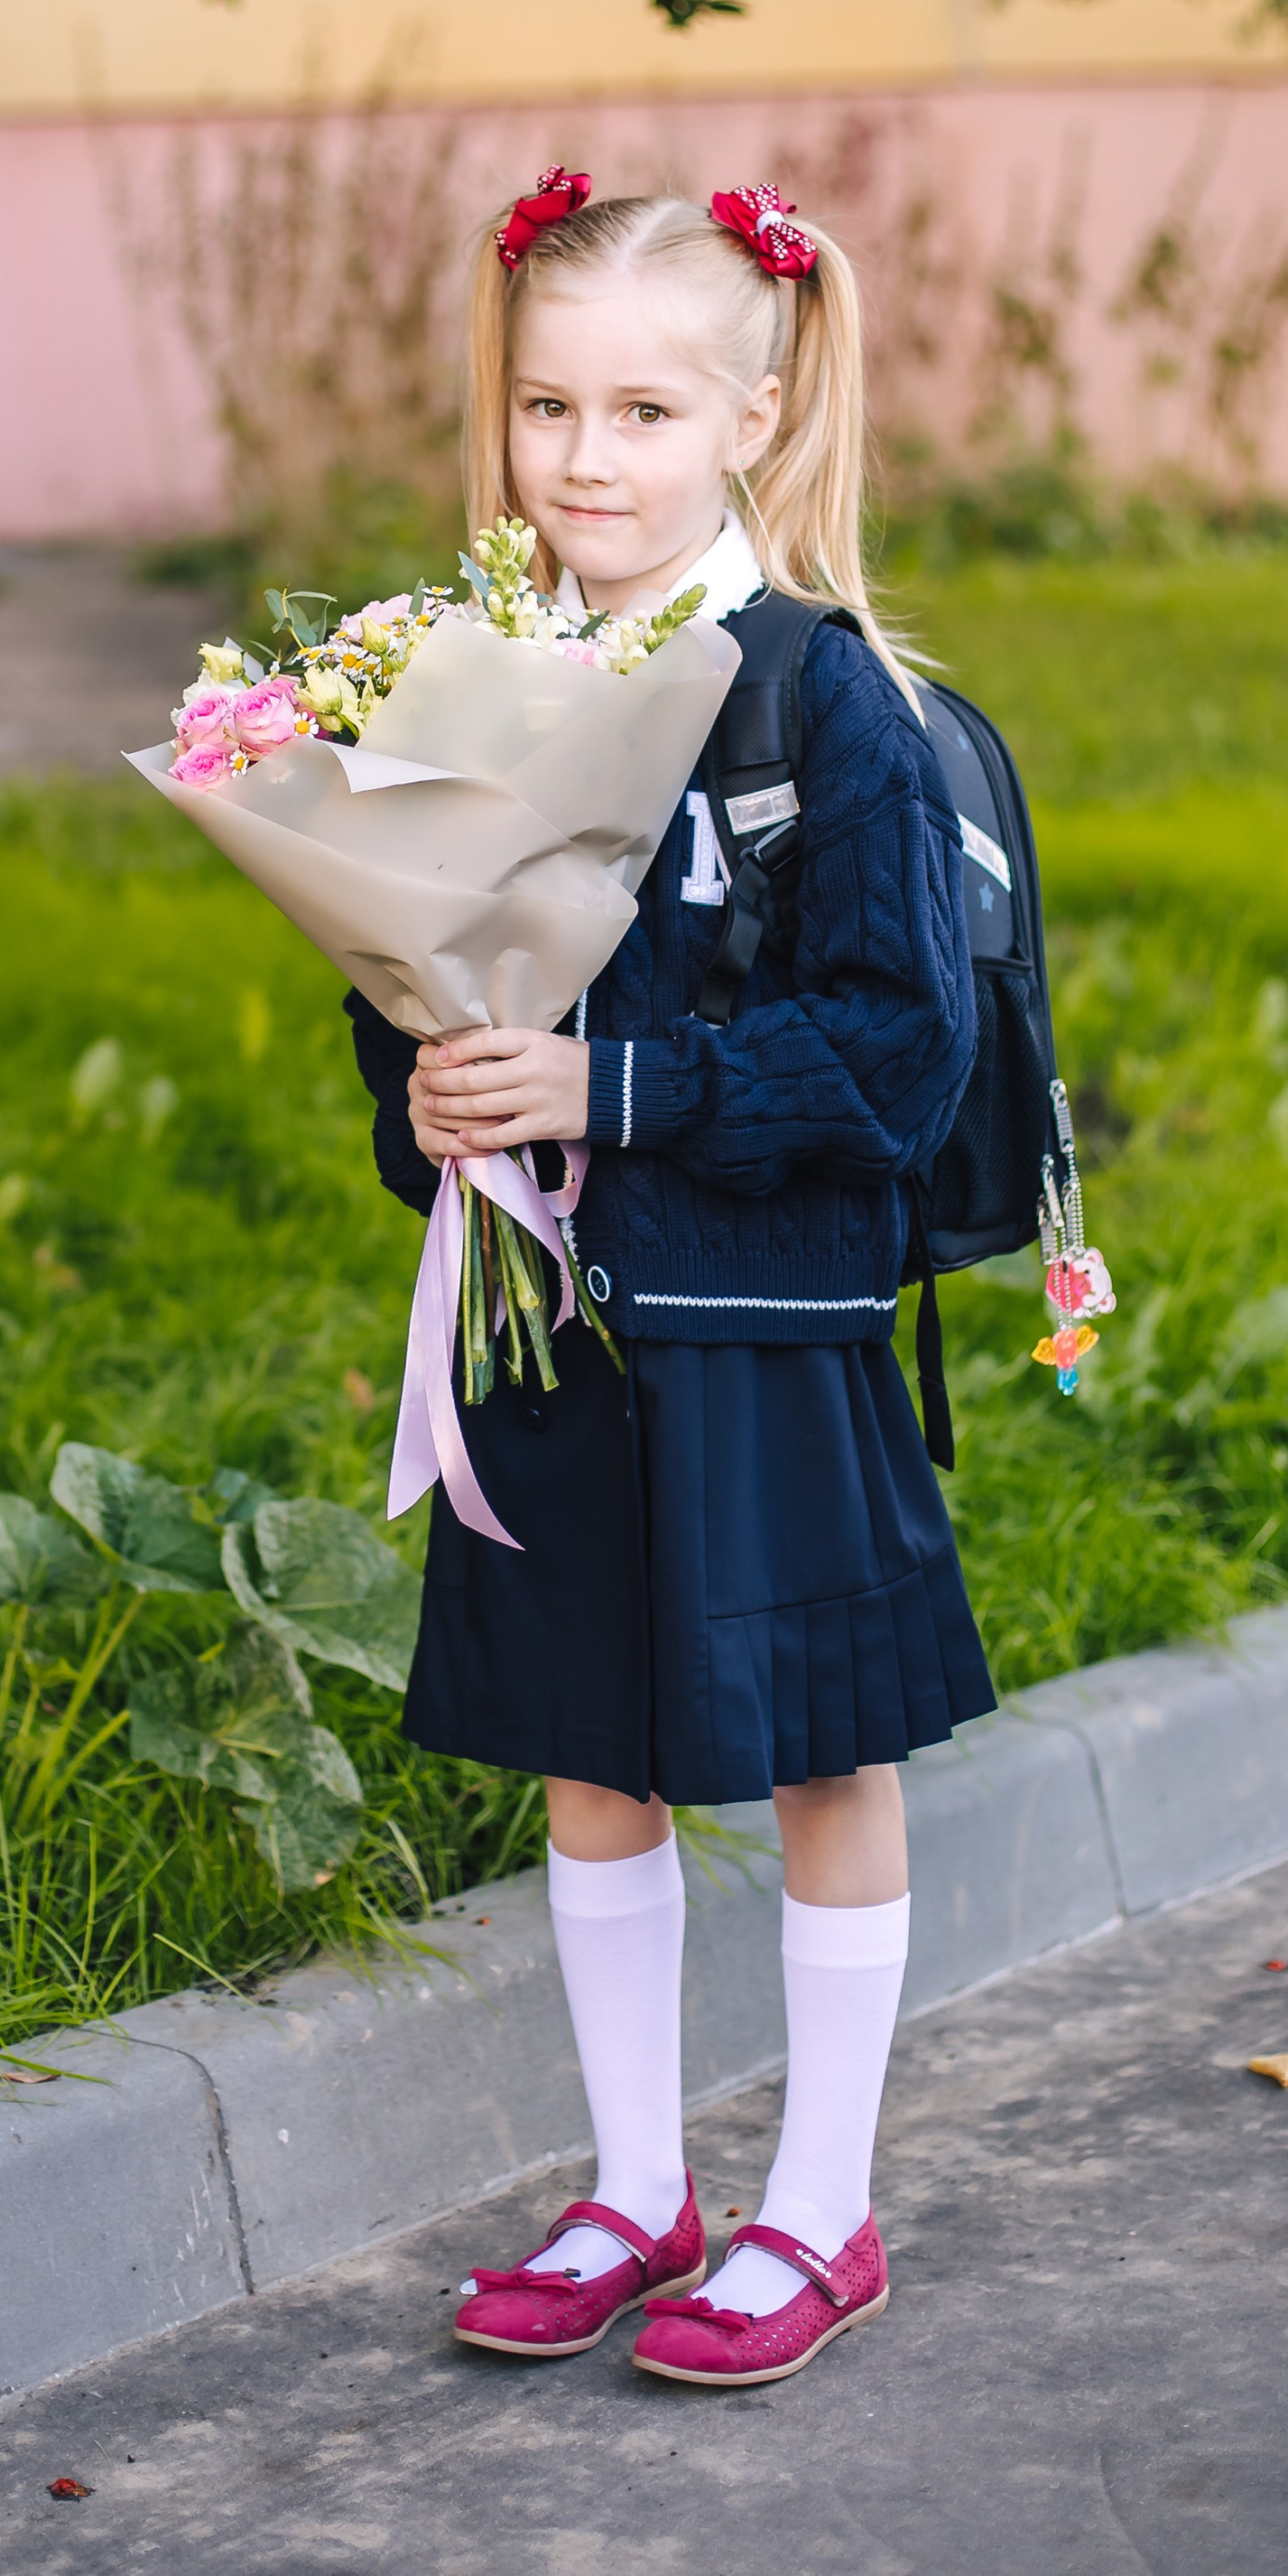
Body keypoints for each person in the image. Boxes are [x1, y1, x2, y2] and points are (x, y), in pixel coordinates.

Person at [346, 175, 993, 2391]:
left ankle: (819, 2206)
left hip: (766, 1327)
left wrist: (607, 1084)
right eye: (546, 405)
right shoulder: (470, 682)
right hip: (552, 1317)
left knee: (817, 1748)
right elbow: (401, 984)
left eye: (640, 409)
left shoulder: (824, 697)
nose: (584, 456)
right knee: (585, 1753)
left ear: (753, 413)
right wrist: (435, 1100)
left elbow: (898, 1055)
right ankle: (640, 2183)